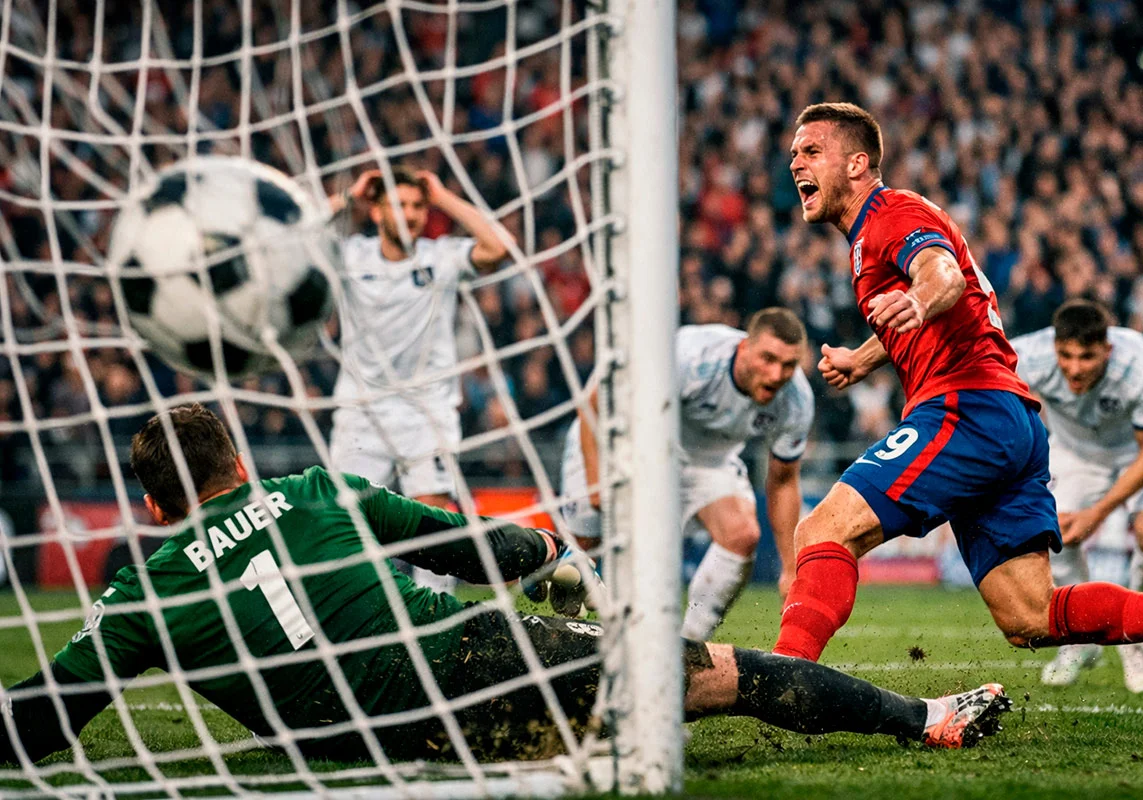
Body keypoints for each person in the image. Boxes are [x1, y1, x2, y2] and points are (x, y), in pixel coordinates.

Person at [0, 405, 1010, 766]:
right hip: (465, 670)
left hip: (357, 753)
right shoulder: (312, 490)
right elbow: (461, 544)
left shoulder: (148, 586)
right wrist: (551, 560)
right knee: (712, 674)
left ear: (154, 498)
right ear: (234, 453)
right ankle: (925, 720)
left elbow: (54, 715)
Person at [772, 102, 1143, 663]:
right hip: (1010, 421)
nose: (795, 164)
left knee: (822, 531)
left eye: (811, 151)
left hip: (963, 410)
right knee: (1031, 615)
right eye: (793, 154)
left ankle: (782, 678)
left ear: (857, 164)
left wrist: (920, 299)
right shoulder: (881, 228)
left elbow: (941, 275)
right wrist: (866, 358)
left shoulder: (890, 214)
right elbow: (944, 297)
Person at [561, 308, 814, 641]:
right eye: (768, 358)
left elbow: (782, 482)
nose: (777, 374)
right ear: (744, 348)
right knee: (575, 561)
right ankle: (545, 563)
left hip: (707, 461)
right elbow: (594, 403)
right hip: (623, 440)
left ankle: (688, 650)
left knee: (742, 533)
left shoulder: (796, 399)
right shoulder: (690, 358)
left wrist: (790, 568)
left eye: (788, 365)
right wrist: (597, 489)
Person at [327, 166, 508, 593]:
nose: (408, 214)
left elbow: (497, 247)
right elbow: (292, 240)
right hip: (361, 411)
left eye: (416, 206)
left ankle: (433, 625)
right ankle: (361, 621)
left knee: (431, 527)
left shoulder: (440, 257)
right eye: (398, 204)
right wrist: (349, 197)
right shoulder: (351, 255)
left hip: (426, 411)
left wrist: (442, 197)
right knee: (345, 525)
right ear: (376, 212)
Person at [1011, 300, 1143, 692]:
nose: (1074, 368)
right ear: (1053, 347)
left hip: (1141, 451)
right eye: (1066, 356)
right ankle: (1079, 640)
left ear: (1107, 350)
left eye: (1087, 357)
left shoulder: (1142, 366)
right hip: (1077, 452)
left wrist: (1097, 513)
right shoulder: (1027, 356)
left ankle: (1137, 638)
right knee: (1053, 534)